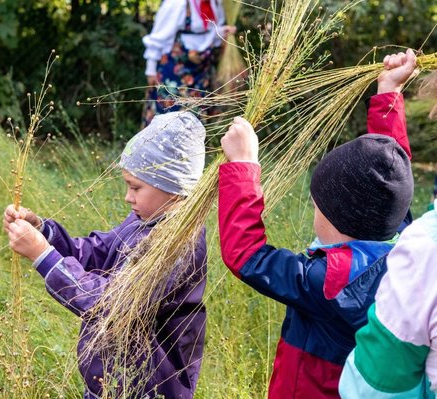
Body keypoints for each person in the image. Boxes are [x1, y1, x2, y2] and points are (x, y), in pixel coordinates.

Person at [217, 49, 417, 398]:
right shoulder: (402, 241)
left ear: (337, 218)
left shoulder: (330, 281)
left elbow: (248, 256)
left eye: (317, 204)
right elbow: (394, 171)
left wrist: (243, 167)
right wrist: (387, 92)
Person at [3, 111, 208, 399]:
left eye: (136, 187)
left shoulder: (178, 245)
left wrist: (43, 255)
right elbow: (97, 251)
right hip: (110, 383)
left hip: (145, 388)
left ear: (173, 188)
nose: (128, 197)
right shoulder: (143, 221)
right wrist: (43, 231)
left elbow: (113, 305)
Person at [338, 70, 437, 399]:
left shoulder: (426, 251)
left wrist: (243, 169)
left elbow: (376, 388)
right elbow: (393, 185)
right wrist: (388, 95)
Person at [141, 0, 236, 127]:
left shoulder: (214, 3)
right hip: (173, 71)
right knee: (168, 118)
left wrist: (222, 32)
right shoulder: (177, 3)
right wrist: (151, 69)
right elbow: (158, 38)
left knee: (195, 118)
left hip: (201, 71)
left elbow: (208, 33)